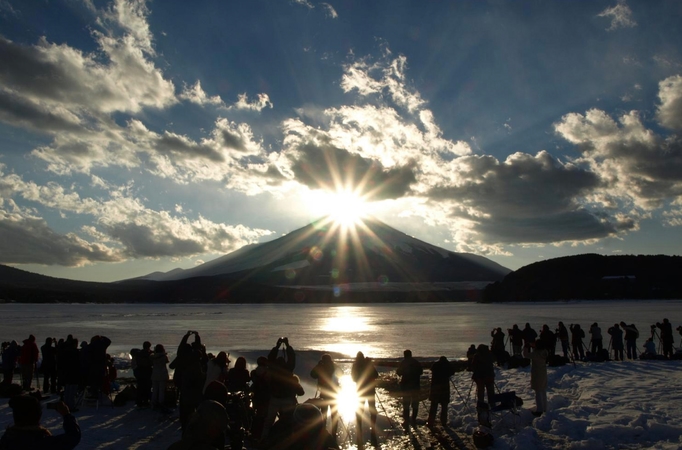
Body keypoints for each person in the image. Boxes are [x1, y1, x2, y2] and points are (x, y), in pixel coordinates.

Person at [0, 396, 80, 449]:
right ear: (38, 416)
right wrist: (66, 415)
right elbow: (73, 437)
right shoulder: (42, 442)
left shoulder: (7, 439)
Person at [352, 351, 378, 446]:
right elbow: (376, 375)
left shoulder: (355, 365)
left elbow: (353, 378)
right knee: (372, 409)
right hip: (370, 389)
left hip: (360, 390)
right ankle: (373, 426)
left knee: (360, 409)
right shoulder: (368, 364)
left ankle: (359, 426)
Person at [310, 354, 339, 436]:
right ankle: (333, 433)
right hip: (333, 394)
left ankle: (324, 431)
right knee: (333, 414)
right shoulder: (333, 367)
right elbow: (341, 373)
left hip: (324, 394)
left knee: (324, 414)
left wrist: (318, 366)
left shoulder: (321, 367)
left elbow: (312, 374)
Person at [396, 349, 423, 427]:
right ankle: (413, 418)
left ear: (405, 355)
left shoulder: (403, 362)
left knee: (406, 403)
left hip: (406, 386)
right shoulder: (416, 362)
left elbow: (399, 372)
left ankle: (406, 420)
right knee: (415, 403)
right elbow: (421, 372)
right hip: (415, 385)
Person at [427, 356, 455, 428]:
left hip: (435, 388)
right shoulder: (447, 365)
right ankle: (444, 422)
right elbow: (452, 372)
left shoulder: (435, 365)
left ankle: (430, 422)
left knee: (433, 405)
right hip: (444, 388)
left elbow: (431, 370)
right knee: (444, 406)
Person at [524, 339, 548, 417]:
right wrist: (532, 345)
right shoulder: (544, 352)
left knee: (538, 392)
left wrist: (526, 347)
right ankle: (544, 408)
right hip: (543, 373)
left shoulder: (536, 354)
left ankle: (539, 410)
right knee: (543, 391)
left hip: (537, 374)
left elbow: (526, 355)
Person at [250, 356, 270, 440]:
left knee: (257, 412)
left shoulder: (254, 372)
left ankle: (254, 431)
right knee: (263, 415)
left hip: (256, 395)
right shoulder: (268, 373)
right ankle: (261, 433)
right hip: (265, 396)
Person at [133, 341, 153, 407]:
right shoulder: (149, 354)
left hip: (140, 371)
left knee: (140, 387)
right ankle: (146, 400)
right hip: (147, 371)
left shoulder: (138, 354)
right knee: (147, 387)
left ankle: (139, 401)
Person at [151, 343, 170, 411]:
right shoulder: (164, 356)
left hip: (155, 374)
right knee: (161, 390)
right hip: (162, 374)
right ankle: (161, 403)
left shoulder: (153, 357)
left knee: (155, 390)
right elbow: (167, 361)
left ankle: (154, 403)